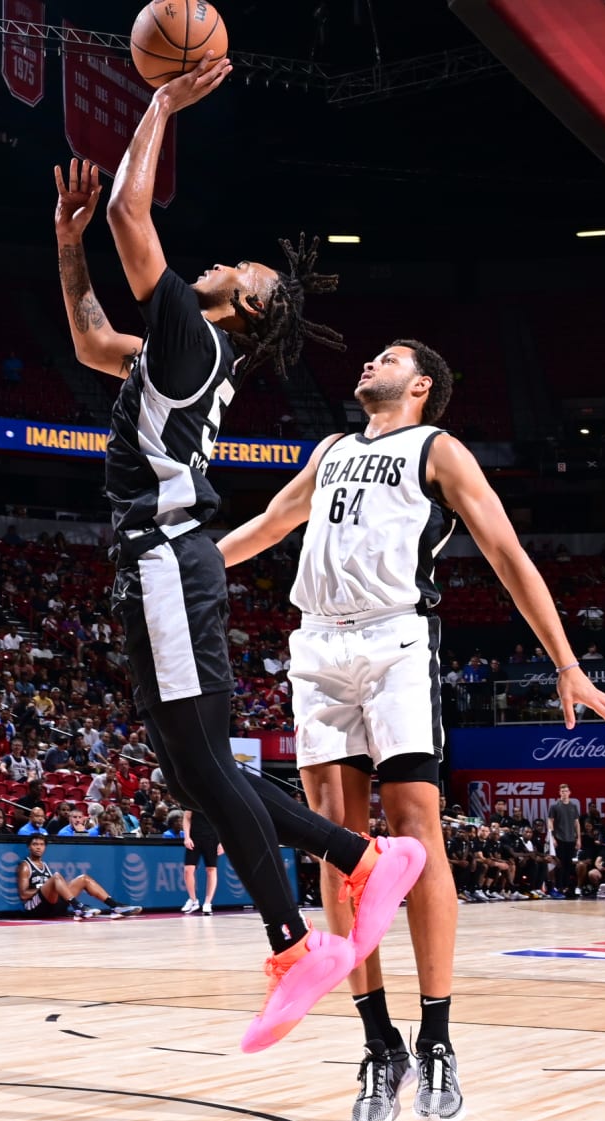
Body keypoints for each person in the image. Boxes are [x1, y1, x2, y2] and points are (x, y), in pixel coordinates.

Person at [52, 63, 424, 1054]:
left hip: (171, 560)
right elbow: (91, 340)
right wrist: (65, 247)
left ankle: (294, 943)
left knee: (204, 766)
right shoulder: (178, 348)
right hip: (161, 566)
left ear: (249, 309)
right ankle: (362, 857)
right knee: (196, 768)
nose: (229, 263)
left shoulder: (189, 334)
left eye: (249, 272)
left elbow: (135, 210)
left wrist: (165, 102)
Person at [218, 338, 605, 1121]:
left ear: (422, 386)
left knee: (416, 832)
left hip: (394, 640)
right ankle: (379, 1043)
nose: (369, 362)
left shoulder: (437, 448)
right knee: (338, 844)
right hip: (317, 645)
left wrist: (566, 663)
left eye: (387, 358)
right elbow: (272, 523)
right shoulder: (334, 448)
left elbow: (507, 551)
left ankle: (436, 1034)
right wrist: (184, 569)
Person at [15, 834, 140, 920]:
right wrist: (45, 888)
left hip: (52, 906)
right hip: (35, 909)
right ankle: (79, 908)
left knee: (83, 879)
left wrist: (52, 889)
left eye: (41, 844)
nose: (38, 847)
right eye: (35, 844)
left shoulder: (44, 865)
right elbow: (23, 895)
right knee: (56, 877)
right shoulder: (25, 866)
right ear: (29, 847)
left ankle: (115, 906)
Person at [181, 807, 223, 914]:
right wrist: (187, 837)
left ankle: (208, 903)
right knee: (188, 870)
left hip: (213, 838)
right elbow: (187, 817)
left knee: (211, 870)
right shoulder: (191, 798)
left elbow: (224, 822)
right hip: (194, 837)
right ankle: (193, 900)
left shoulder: (217, 800)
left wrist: (222, 842)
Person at [547, 784, 580, 899]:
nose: (564, 793)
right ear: (559, 793)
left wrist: (578, 838)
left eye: (566, 791)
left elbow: (577, 823)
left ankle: (566, 888)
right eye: (562, 791)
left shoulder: (573, 806)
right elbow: (550, 821)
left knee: (568, 865)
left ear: (569, 792)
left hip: (571, 839)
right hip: (559, 839)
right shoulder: (555, 806)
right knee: (559, 864)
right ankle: (558, 887)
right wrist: (552, 838)